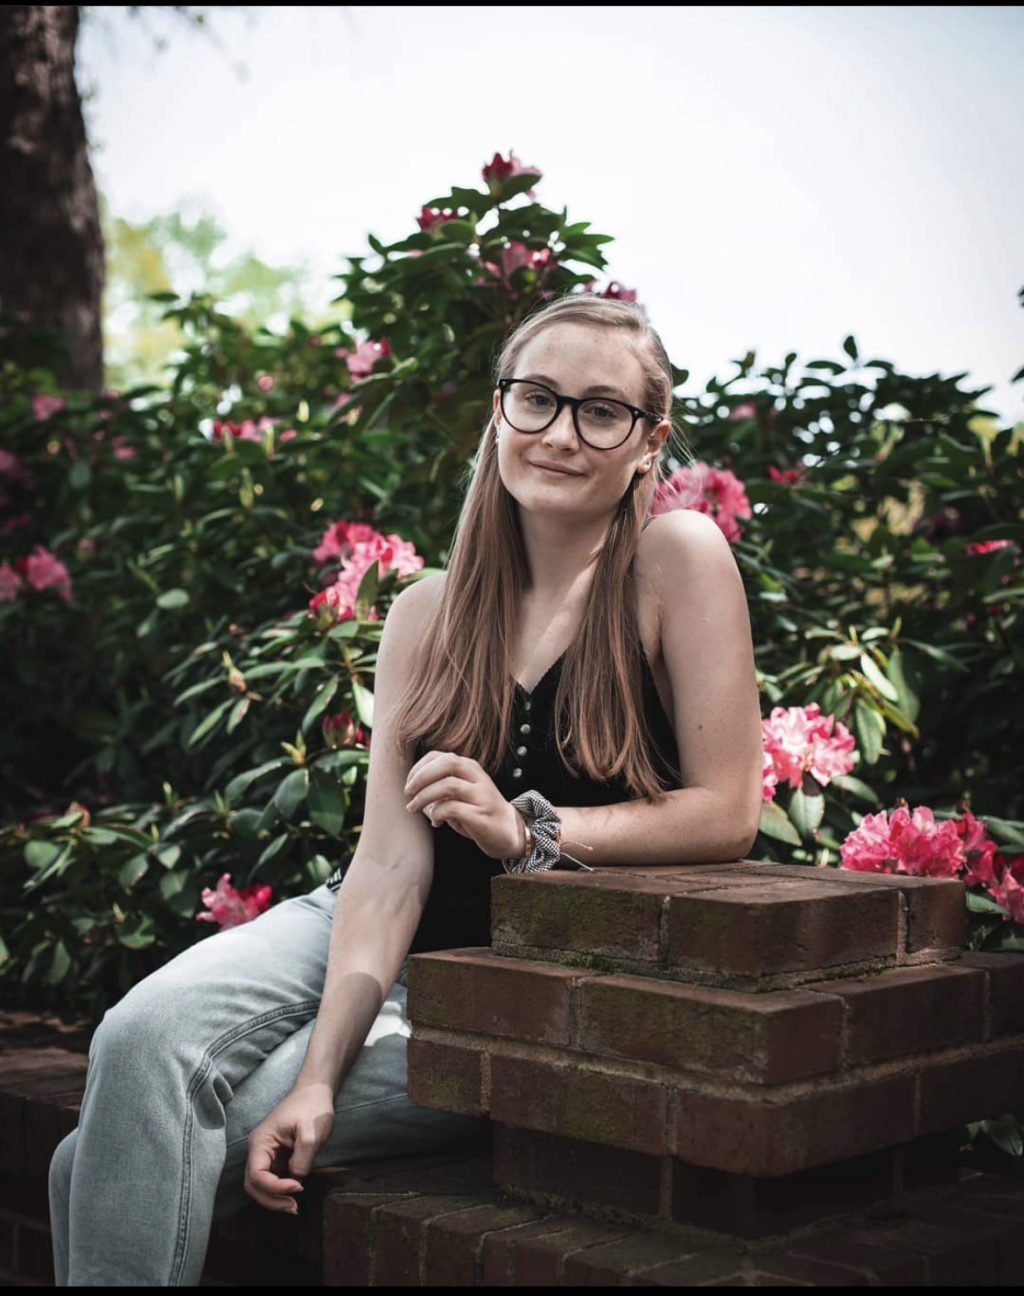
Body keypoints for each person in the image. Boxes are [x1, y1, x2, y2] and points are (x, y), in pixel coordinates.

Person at [48, 294, 763, 1285]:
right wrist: (320, 1076)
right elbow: (388, 866)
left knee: (94, 1159)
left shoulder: (673, 561)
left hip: (505, 978)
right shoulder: (426, 613)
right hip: (364, 919)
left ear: (648, 442)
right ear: (498, 410)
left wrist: (529, 834)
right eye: (536, 399)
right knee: (136, 1039)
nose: (560, 432)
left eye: (601, 411)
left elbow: (729, 814)